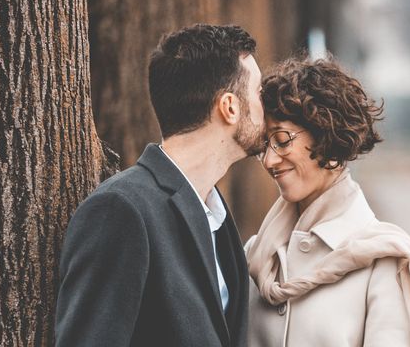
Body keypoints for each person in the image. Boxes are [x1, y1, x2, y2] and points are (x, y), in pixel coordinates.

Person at [55, 24, 265, 347]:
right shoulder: (121, 211)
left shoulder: (217, 218)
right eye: (259, 93)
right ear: (230, 107)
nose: (268, 108)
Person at [245, 56, 410, 347]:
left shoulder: (384, 263)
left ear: (326, 134)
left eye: (282, 140)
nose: (270, 160)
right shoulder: (254, 255)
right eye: (264, 145)